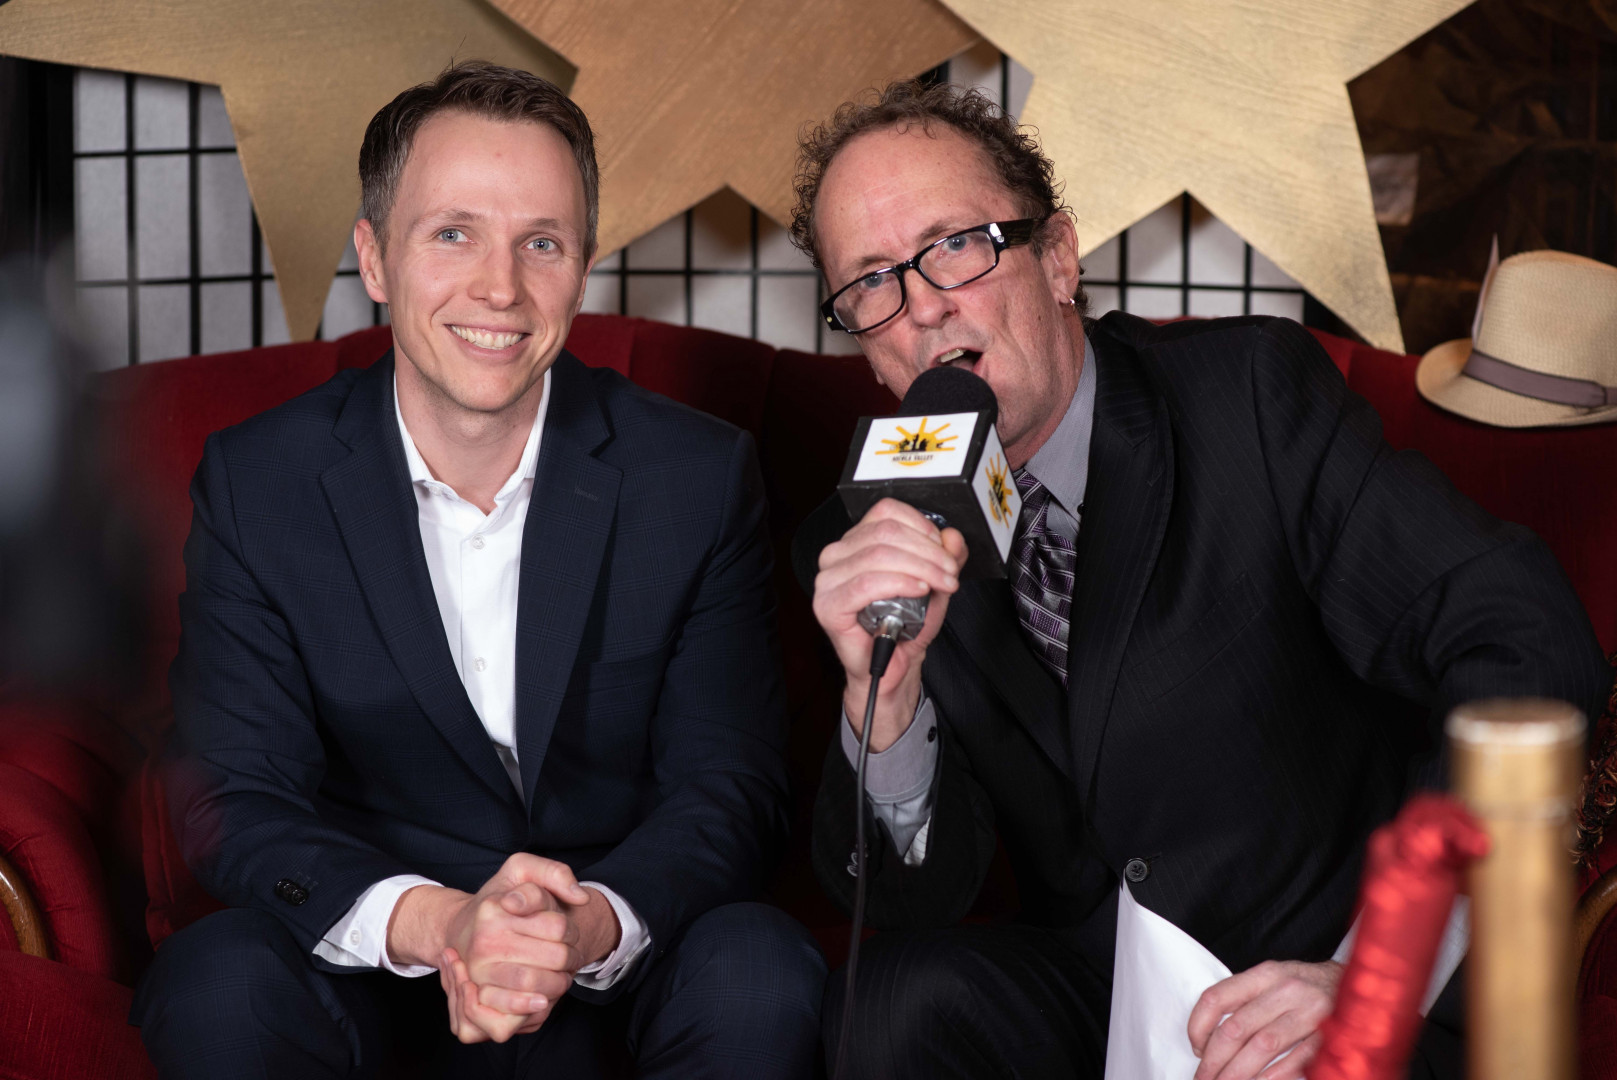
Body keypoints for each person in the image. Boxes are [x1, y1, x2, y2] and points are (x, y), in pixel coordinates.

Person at [792, 80, 1612, 1080]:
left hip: (1332, 969)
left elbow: (1527, 639)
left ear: (1057, 258)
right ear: (864, 344)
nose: (922, 305)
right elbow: (913, 900)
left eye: (956, 244)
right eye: (871, 282)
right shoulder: (868, 534)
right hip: (1109, 1002)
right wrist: (880, 697)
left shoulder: (1247, 398)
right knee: (885, 1004)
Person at [131, 61, 824, 1079]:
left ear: (581, 269)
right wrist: (442, 926)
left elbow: (731, 785)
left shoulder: (695, 476)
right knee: (216, 983)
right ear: (375, 257)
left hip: (611, 962)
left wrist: (584, 927)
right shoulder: (257, 481)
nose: (501, 287)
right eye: (452, 233)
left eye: (541, 242)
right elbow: (232, 795)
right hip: (375, 962)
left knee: (761, 969)